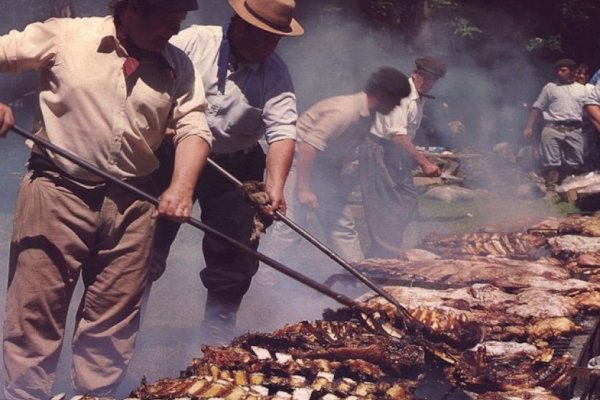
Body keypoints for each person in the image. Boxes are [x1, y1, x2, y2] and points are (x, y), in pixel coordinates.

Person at [0, 0, 212, 398]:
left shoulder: (178, 64)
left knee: (114, 318)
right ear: (132, 9)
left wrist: (181, 188)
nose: (173, 29)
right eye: (166, 18)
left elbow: (194, 126)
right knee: (36, 313)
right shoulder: (66, 36)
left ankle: (96, 394)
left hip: (133, 203)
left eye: (178, 20)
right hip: (57, 190)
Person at [151, 0, 303, 343]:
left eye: (276, 40)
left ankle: (216, 334)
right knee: (146, 242)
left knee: (235, 254)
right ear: (240, 25)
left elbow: (282, 132)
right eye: (265, 37)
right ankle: (124, 324)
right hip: (172, 154)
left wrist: (275, 186)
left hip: (235, 163)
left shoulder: (275, 72)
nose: (269, 47)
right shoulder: (194, 41)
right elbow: (151, 75)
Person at [265, 67, 411, 263]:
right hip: (296, 166)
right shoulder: (344, 111)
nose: (397, 106)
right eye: (396, 100)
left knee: (342, 226)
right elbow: (308, 147)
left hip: (324, 170)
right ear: (383, 95)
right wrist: (304, 189)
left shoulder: (369, 115)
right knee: (291, 226)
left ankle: (358, 274)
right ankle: (268, 276)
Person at [359, 56, 445, 258]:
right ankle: (380, 256)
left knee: (406, 199)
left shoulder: (418, 97)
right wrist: (423, 163)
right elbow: (398, 135)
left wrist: (416, 156)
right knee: (382, 205)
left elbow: (406, 135)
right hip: (378, 150)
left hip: (394, 152)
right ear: (415, 74)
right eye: (426, 78)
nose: (430, 83)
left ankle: (388, 248)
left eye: (434, 80)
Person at [523, 58, 588, 189]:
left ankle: (570, 188)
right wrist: (529, 127)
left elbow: (590, 109)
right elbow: (537, 107)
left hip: (574, 129)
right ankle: (551, 188)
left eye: (563, 70)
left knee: (575, 161)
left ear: (572, 71)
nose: (559, 73)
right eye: (558, 70)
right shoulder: (550, 88)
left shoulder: (582, 90)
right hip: (552, 127)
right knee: (552, 162)